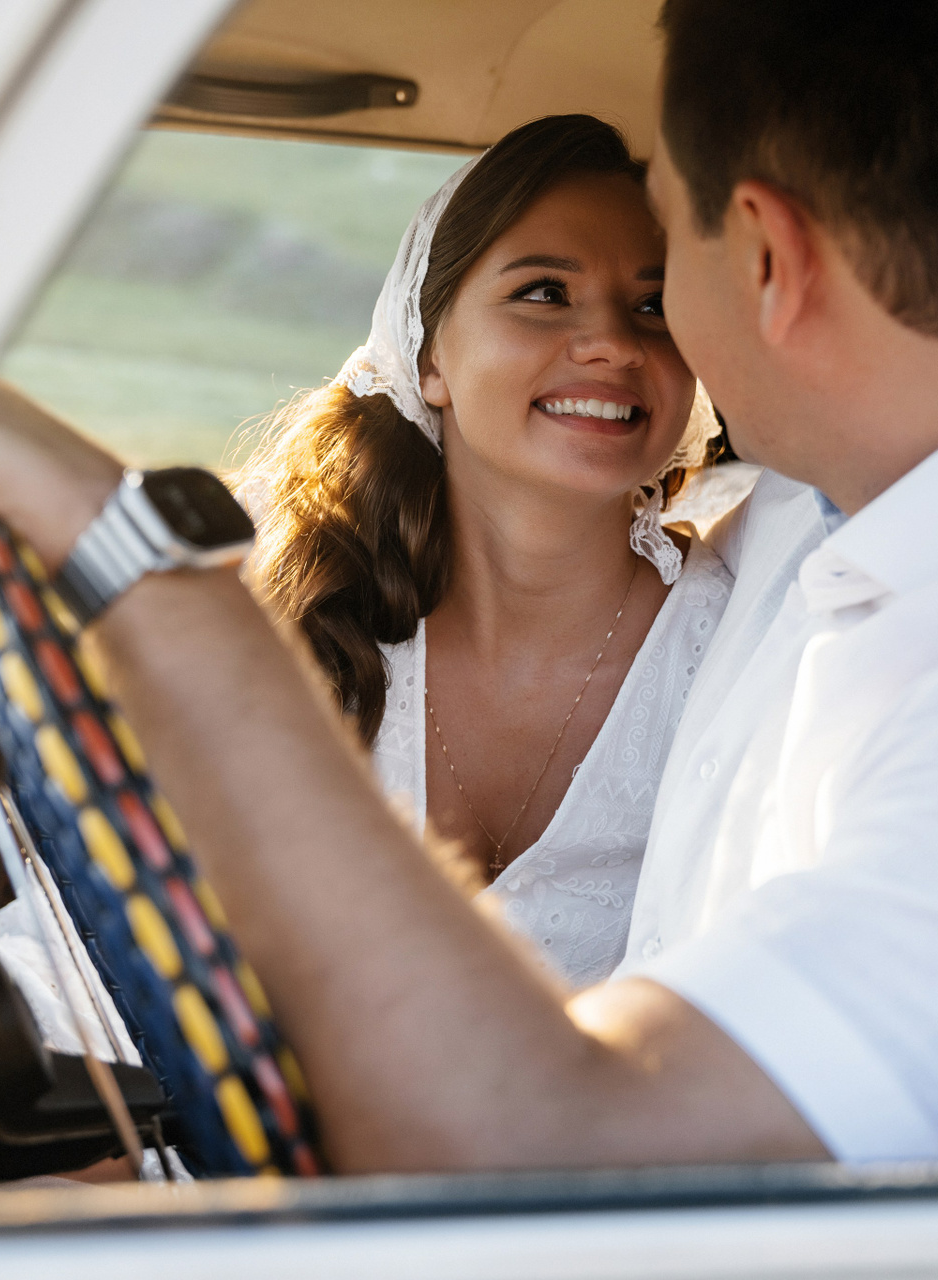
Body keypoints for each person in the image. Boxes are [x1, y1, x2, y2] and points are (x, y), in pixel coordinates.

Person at [0, 0, 938, 1170]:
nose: (636, 334)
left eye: (666, 252)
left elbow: (537, 1139)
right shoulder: (826, 521)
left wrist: (137, 563)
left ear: (764, 254)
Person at [237, 114, 729, 987]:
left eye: (654, 305)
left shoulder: (732, 648)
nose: (616, 343)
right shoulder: (290, 601)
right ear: (429, 357)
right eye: (545, 292)